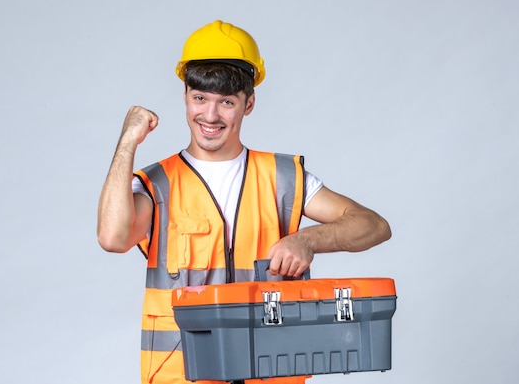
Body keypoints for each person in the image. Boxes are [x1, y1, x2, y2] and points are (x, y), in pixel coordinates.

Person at [97, 20, 391, 384]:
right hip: (181, 373)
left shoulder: (282, 177)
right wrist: (128, 140)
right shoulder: (158, 184)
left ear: (248, 103)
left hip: (271, 371)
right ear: (186, 96)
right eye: (199, 98)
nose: (210, 115)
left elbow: (374, 225)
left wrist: (307, 240)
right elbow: (112, 237)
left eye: (227, 102)